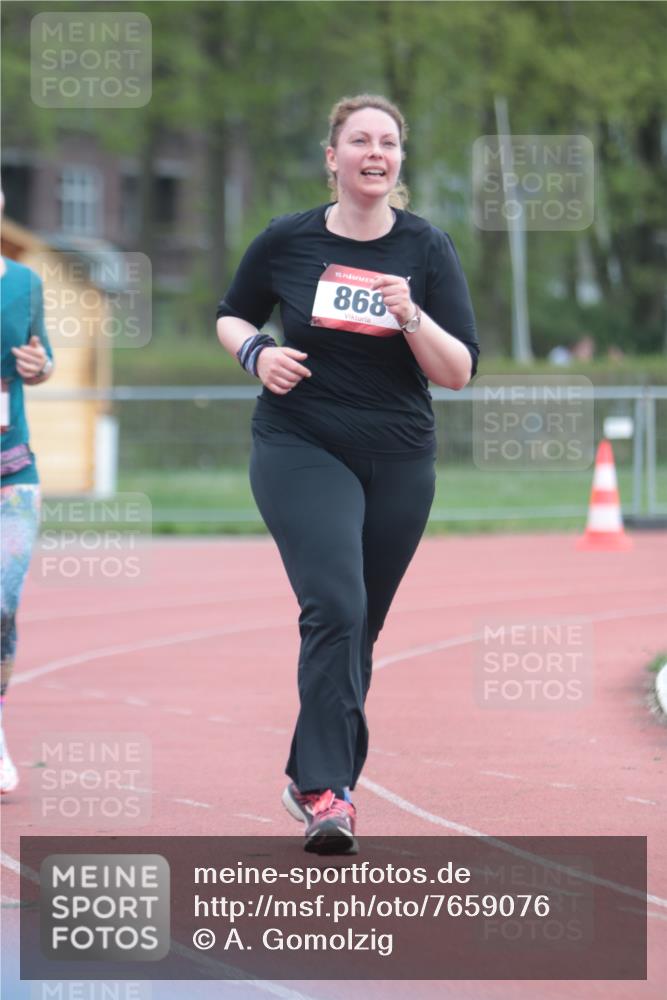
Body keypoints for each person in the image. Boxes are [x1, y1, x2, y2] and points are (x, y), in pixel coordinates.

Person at [215, 95, 479, 854]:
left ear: (398, 161)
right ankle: (331, 796)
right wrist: (257, 355)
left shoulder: (427, 249)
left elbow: (458, 371)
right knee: (334, 603)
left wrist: (411, 316)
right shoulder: (286, 240)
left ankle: (310, 772)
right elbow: (232, 313)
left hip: (398, 455)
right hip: (301, 443)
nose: (375, 152)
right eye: (359, 140)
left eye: (388, 142)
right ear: (331, 157)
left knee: (361, 624)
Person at [1, 189, 55, 793]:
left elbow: (43, 360)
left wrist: (41, 367)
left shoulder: (24, 282)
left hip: (13, 471)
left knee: (1, 605)